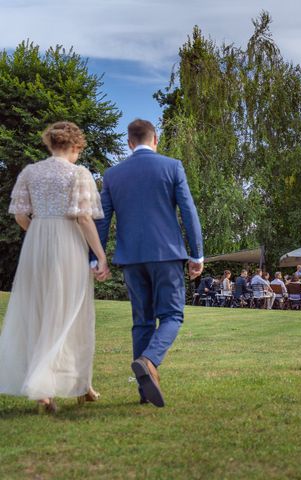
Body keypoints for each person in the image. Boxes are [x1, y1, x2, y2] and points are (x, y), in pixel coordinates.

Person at [0, 121, 108, 414]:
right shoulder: (78, 174)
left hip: (36, 243)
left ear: (50, 144)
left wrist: (39, 232)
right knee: (72, 312)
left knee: (38, 311)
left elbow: (20, 215)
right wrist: (100, 254)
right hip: (67, 244)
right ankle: (68, 384)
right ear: (75, 147)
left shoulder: (30, 172)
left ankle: (68, 387)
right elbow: (84, 219)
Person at [95, 119, 203, 408]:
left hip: (131, 258)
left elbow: (102, 219)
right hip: (167, 254)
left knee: (142, 321)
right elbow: (189, 212)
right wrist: (197, 254)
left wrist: (97, 258)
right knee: (172, 316)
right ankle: (149, 361)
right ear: (155, 140)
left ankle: (145, 391)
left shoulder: (113, 175)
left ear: (130, 142)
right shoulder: (172, 166)